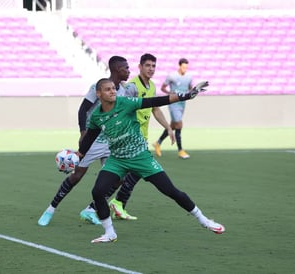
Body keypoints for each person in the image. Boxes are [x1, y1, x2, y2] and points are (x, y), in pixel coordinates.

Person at [77, 78, 225, 243]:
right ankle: (110, 233)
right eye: (107, 89)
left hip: (140, 157)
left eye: (113, 88)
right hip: (117, 159)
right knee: (98, 192)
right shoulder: (97, 115)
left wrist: (186, 96)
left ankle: (204, 220)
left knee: (171, 191)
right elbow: (90, 136)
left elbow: (156, 101)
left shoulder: (126, 102)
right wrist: (79, 154)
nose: (112, 91)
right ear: (98, 93)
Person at [37, 56, 132, 226]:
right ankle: (50, 209)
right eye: (126, 68)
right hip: (92, 140)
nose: (129, 71)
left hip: (110, 141)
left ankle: (91, 209)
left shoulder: (122, 91)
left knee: (118, 178)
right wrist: (83, 132)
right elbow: (83, 109)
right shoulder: (98, 88)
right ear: (117, 69)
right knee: (77, 176)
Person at [108, 53, 175, 220]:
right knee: (127, 174)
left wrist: (168, 127)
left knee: (131, 174)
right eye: (148, 66)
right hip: (129, 137)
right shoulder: (132, 86)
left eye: (153, 66)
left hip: (141, 136)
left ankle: (117, 204)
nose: (151, 69)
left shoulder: (151, 86)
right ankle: (100, 205)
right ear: (140, 67)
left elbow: (155, 109)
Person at [153, 58, 193, 159]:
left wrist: (194, 91)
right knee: (179, 125)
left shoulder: (189, 77)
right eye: (184, 67)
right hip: (174, 103)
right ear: (179, 66)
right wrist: (170, 94)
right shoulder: (172, 76)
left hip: (182, 104)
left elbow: (190, 88)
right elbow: (163, 87)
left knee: (174, 126)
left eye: (186, 67)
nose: (185, 69)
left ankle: (158, 143)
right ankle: (180, 150)